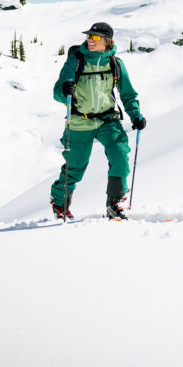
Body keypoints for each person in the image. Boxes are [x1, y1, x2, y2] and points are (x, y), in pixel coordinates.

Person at [50, 22, 146, 220]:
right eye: (88, 37)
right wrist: (64, 90)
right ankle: (59, 203)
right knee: (75, 168)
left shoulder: (115, 64)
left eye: (95, 37)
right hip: (79, 121)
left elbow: (127, 93)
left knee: (120, 156)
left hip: (106, 120)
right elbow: (58, 92)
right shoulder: (75, 61)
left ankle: (115, 204)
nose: (90, 41)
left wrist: (135, 115)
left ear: (107, 41)